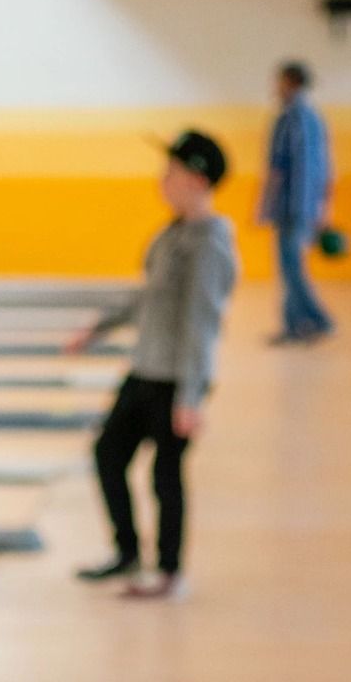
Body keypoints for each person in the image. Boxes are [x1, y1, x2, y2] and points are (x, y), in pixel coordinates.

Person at [68, 130, 238, 600]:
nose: (162, 181)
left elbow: (203, 324)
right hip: (145, 370)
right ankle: (127, 553)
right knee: (108, 455)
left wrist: (191, 396)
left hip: (174, 382)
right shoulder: (174, 233)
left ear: (197, 180)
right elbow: (149, 294)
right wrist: (99, 326)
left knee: (165, 477)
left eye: (172, 172)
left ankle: (168, 572)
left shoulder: (209, 245)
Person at [260, 62, 336, 343]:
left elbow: (277, 168)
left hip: (289, 206)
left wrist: (264, 205)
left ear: (290, 82)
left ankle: (314, 320)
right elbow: (327, 168)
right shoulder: (316, 119)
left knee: (291, 268)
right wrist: (324, 207)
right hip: (307, 206)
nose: (275, 87)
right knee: (293, 267)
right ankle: (301, 323)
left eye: (278, 81)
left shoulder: (287, 120)